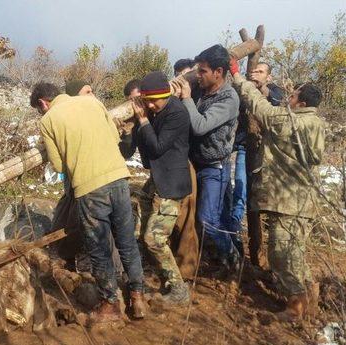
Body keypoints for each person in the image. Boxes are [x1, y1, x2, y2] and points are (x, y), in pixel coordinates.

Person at [30, 82, 146, 322]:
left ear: (43, 103)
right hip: (119, 178)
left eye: (40, 108)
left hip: (89, 187)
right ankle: (138, 297)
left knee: (100, 249)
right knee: (126, 241)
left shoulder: (48, 120)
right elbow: (115, 137)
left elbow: (59, 166)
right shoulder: (93, 102)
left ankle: (110, 304)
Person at [230, 57, 324, 321]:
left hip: (287, 200)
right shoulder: (318, 124)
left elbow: (259, 107)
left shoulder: (291, 122)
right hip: (305, 201)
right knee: (296, 250)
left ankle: (295, 307)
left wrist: (237, 75)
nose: (289, 98)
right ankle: (309, 298)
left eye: (293, 96)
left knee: (281, 253)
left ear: (302, 103)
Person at [172, 44, 240, 273]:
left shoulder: (229, 99)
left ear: (218, 72)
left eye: (202, 71)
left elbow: (200, 126)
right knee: (191, 216)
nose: (198, 75)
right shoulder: (201, 88)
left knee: (209, 221)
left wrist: (188, 98)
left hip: (214, 167)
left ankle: (232, 255)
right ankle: (200, 259)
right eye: (197, 71)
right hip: (195, 163)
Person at [130, 71, 192, 304]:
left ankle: (178, 289)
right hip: (157, 180)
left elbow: (156, 147)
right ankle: (165, 280)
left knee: (154, 240)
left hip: (171, 185)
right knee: (144, 234)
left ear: (166, 95)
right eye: (148, 102)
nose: (152, 106)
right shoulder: (159, 110)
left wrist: (144, 120)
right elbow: (147, 156)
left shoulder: (176, 114)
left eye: (155, 100)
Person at [229, 62, 285, 263]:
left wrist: (259, 88)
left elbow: (275, 102)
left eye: (260, 72)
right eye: (253, 71)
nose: (255, 74)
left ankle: (269, 252)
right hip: (245, 148)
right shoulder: (241, 91)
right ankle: (235, 239)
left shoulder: (275, 92)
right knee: (241, 192)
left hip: (268, 154)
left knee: (265, 199)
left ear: (268, 77)